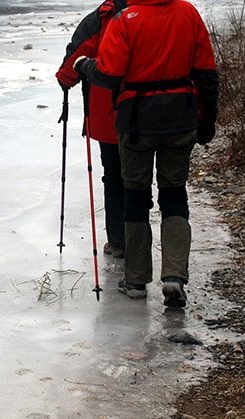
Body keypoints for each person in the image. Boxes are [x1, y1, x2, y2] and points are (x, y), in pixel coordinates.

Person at [74, 0, 219, 307]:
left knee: (136, 196)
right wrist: (208, 120)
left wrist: (83, 66)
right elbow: (206, 73)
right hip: (180, 118)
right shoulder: (188, 13)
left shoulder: (126, 19)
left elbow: (109, 74)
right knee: (174, 194)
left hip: (136, 120)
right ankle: (174, 276)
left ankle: (137, 279)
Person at [56, 0, 127, 259]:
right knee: (139, 178)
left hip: (108, 115)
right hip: (155, 113)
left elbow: (75, 58)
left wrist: (66, 80)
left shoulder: (101, 18)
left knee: (114, 177)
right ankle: (140, 242)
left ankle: (118, 241)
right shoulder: (161, 12)